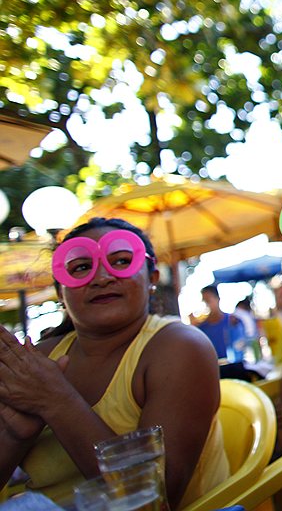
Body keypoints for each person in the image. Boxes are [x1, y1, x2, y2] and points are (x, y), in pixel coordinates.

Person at [0, 217, 229, 509]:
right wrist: (16, 434)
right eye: (82, 267)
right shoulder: (39, 362)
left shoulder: (180, 347)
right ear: (61, 292)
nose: (102, 277)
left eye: (121, 261)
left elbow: (158, 495)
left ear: (152, 279)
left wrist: (55, 401)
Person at [196, 284, 246, 363]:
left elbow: (241, 345)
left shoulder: (233, 321)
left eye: (208, 300)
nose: (206, 305)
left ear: (218, 299)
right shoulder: (201, 329)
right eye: (204, 301)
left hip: (234, 366)